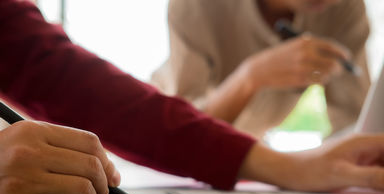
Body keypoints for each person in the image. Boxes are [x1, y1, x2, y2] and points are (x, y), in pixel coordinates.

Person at [0, 0, 383, 194]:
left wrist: (285, 165)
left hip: (187, 154)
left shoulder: (345, 11)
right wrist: (250, 79)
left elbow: (60, 75)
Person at [152, 0, 370, 138]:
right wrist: (251, 76)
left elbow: (355, 123)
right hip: (156, 142)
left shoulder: (345, 8)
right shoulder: (194, 6)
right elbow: (185, 136)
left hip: (252, 148)